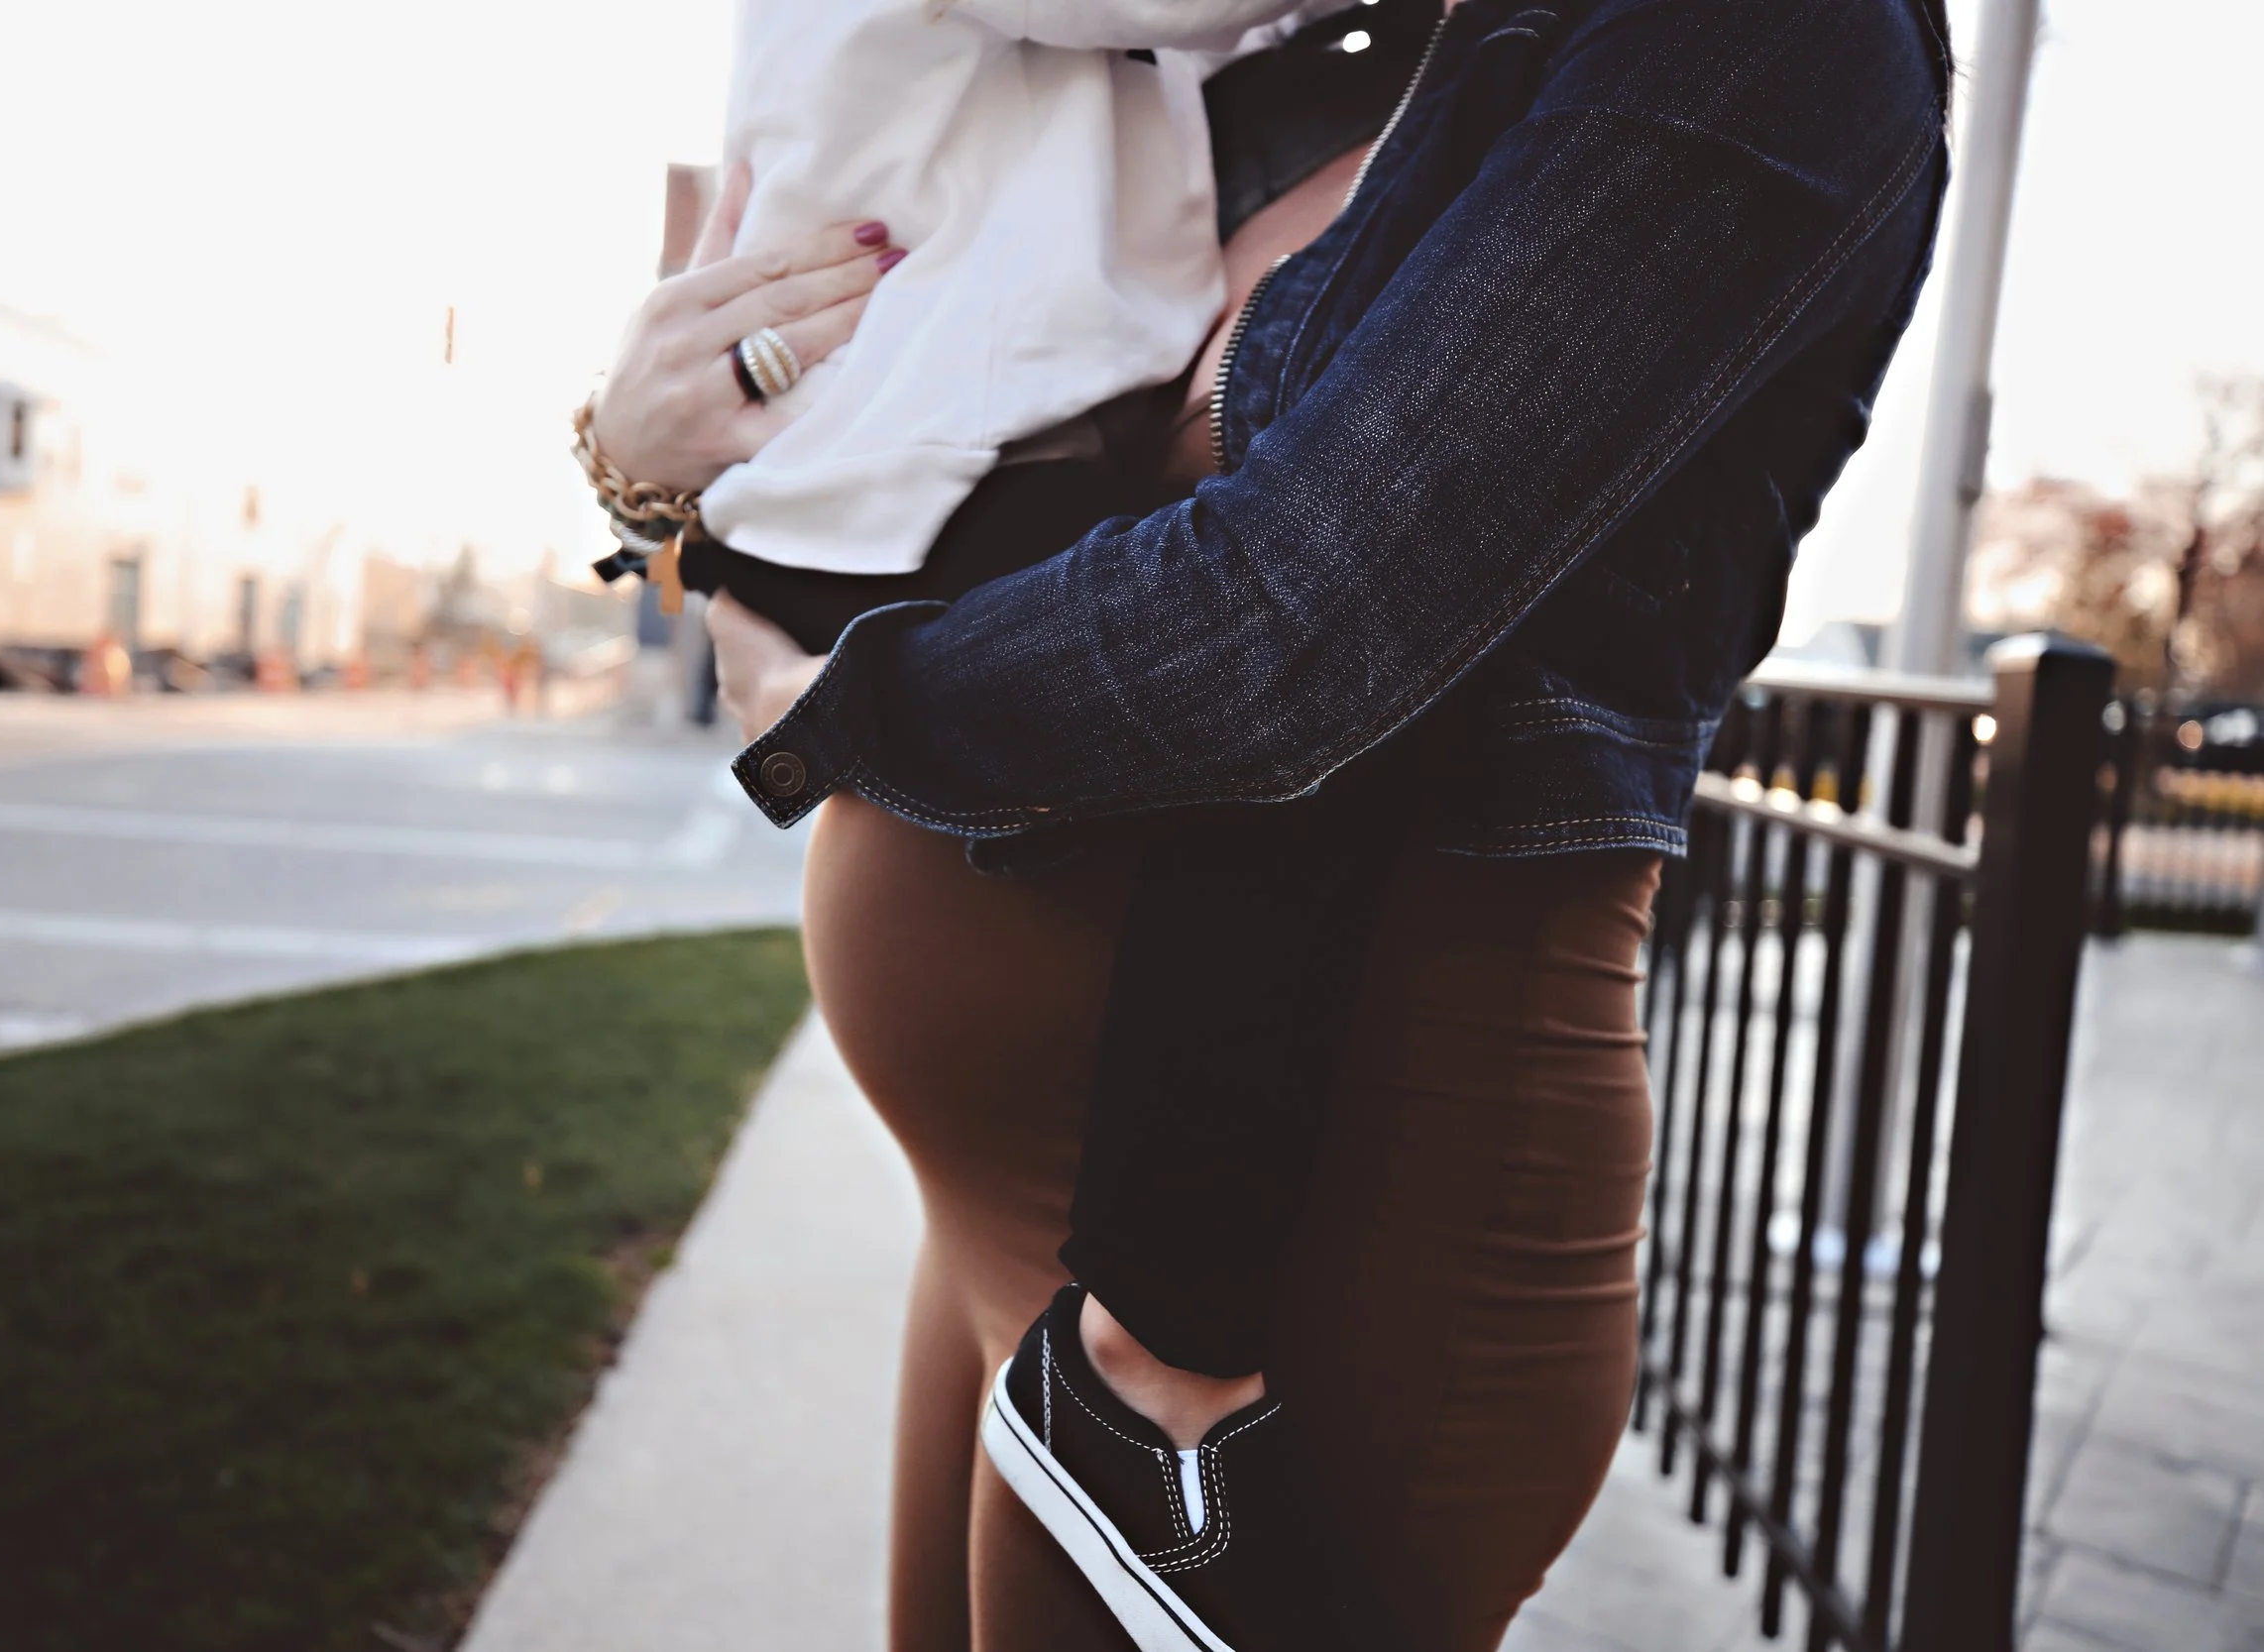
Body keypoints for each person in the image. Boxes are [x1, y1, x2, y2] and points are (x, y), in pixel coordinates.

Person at [587, 0, 1954, 1644]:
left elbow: (1299, 621)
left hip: (1324, 1229)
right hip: (1017, 1198)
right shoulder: (1359, 48)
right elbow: (929, 437)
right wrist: (639, 467)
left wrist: (852, 710)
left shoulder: (1765, 38)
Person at [580, 5, 1472, 1643]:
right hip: (924, 476)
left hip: (919, 473)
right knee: (1265, 735)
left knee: (1268, 716)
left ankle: (1156, 1365)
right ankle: (1172, 1367)